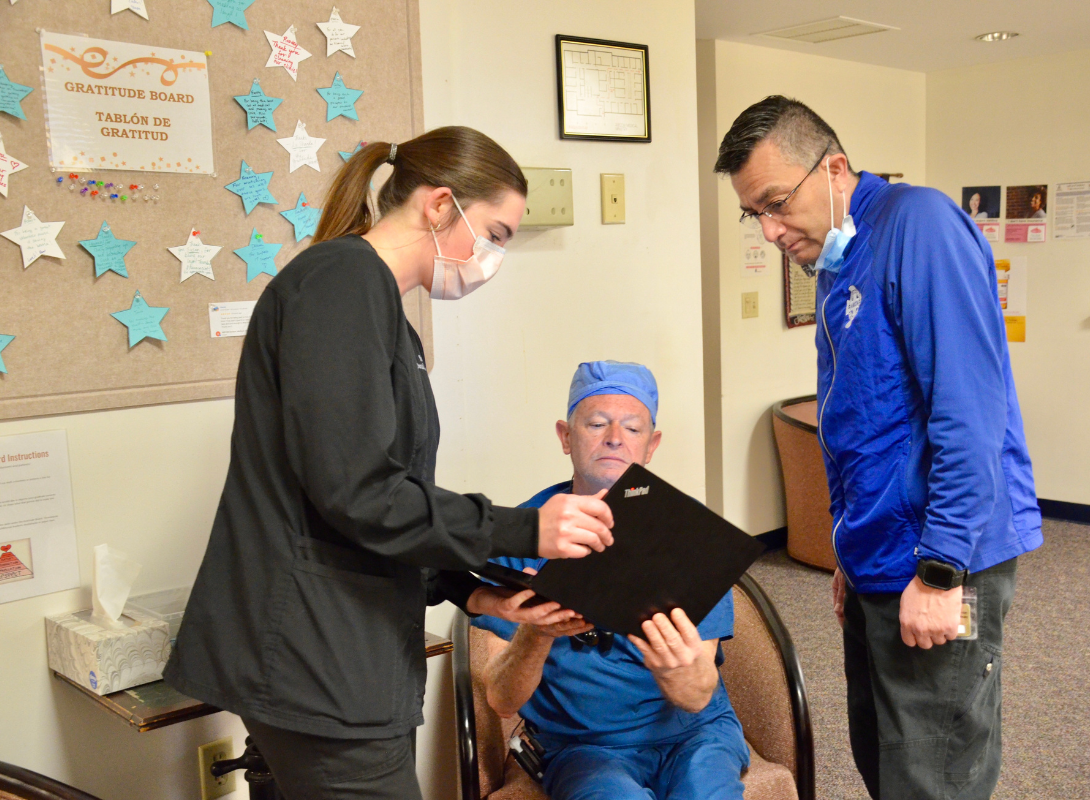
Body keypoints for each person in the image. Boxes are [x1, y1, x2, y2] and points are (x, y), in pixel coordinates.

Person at [164, 128, 615, 800]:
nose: (492, 257)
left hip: (346, 640)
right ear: (439, 206)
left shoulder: (381, 312)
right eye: (495, 233)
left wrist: (472, 589)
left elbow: (385, 495)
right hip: (315, 656)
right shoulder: (339, 284)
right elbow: (359, 491)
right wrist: (527, 529)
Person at [714, 96, 1042, 800]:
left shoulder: (919, 227)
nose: (770, 231)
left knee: (933, 771)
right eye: (754, 214)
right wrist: (848, 550)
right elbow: (862, 422)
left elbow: (969, 412)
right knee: (886, 759)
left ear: (834, 167)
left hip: (937, 556)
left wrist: (942, 569)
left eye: (776, 203)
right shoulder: (837, 253)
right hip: (877, 556)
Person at [473, 361, 751, 800]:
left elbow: (698, 696)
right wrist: (536, 633)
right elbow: (502, 701)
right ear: (566, 437)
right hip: (584, 747)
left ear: (652, 444)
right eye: (597, 423)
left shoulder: (690, 534)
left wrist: (673, 667)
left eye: (633, 428)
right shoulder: (522, 533)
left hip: (695, 735)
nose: (615, 438)